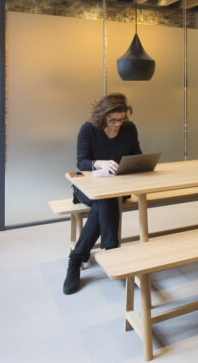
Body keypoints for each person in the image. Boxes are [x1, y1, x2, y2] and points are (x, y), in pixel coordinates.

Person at [63, 93, 141, 295]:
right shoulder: (89, 129)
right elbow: (81, 162)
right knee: (106, 199)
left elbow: (137, 156)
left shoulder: (129, 129)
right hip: (88, 187)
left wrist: (134, 165)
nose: (117, 124)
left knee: (107, 199)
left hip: (116, 187)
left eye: (121, 119)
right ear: (103, 115)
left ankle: (76, 259)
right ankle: (111, 251)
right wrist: (99, 163)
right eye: (112, 120)